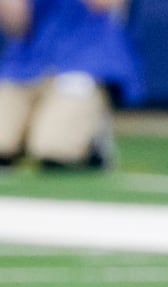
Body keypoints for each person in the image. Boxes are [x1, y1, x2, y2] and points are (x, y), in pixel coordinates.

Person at [0, 0, 143, 170]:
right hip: (27, 64)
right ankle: (27, 131)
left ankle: (92, 140)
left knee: (55, 150)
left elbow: (105, 4)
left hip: (83, 62)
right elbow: (17, 25)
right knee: (3, 143)